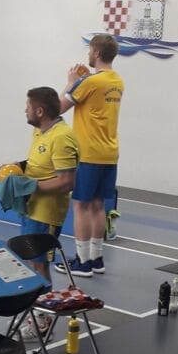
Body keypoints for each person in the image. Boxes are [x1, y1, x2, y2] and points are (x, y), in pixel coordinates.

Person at [55, 34, 124, 278]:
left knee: (81, 206)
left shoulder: (89, 82)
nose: (88, 55)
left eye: (90, 51)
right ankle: (97, 259)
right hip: (109, 153)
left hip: (88, 153)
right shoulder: (117, 81)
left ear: (96, 53)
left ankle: (82, 262)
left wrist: (71, 82)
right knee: (98, 206)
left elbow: (57, 109)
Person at [16, 88, 80, 337]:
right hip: (30, 207)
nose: (25, 110)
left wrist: (31, 186)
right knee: (32, 262)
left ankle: (43, 321)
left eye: (28, 106)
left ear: (40, 111)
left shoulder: (62, 138)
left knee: (40, 265)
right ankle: (36, 310)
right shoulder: (39, 131)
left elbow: (66, 182)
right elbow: (38, 166)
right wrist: (16, 169)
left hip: (47, 214)